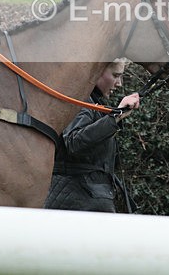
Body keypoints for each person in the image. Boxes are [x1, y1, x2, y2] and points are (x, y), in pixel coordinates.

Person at [44, 59, 141, 212]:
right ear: (97, 70)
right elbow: (74, 142)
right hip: (77, 201)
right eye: (116, 75)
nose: (119, 83)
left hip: (82, 199)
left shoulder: (93, 103)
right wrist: (115, 117)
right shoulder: (81, 100)